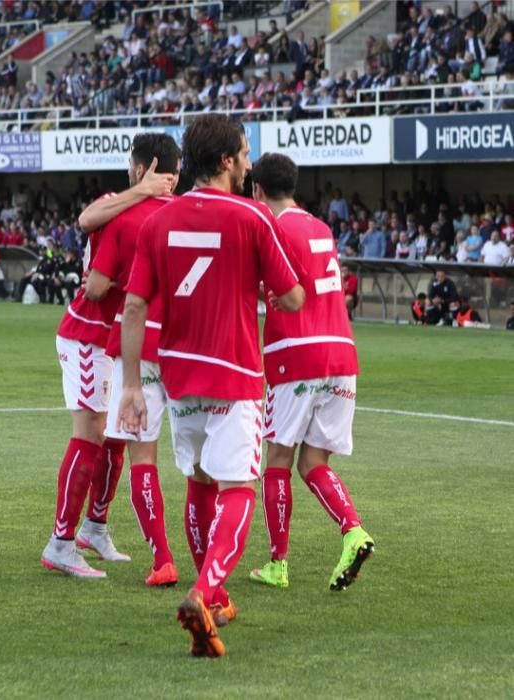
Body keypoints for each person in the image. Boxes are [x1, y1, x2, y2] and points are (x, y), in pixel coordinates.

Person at [119, 114, 305, 657]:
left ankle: (214, 592)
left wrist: (132, 384)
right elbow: (292, 297)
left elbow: (134, 306)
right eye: (245, 154)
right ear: (226, 161)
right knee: (238, 487)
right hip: (236, 372)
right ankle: (203, 591)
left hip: (178, 375)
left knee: (200, 480)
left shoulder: (158, 220)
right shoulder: (251, 217)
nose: (250, 163)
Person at [41, 140, 178, 580]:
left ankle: (94, 527)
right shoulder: (115, 204)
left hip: (121, 339)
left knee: (116, 436)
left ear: (140, 167)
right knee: (92, 433)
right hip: (88, 333)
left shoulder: (158, 212)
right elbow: (86, 227)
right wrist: (140, 193)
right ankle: (60, 542)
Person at [248, 153, 374, 596]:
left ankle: (278, 564)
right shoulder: (321, 228)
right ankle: (353, 531)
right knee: (313, 462)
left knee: (277, 460)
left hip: (295, 354)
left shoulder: (270, 228)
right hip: (342, 354)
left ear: (258, 191)